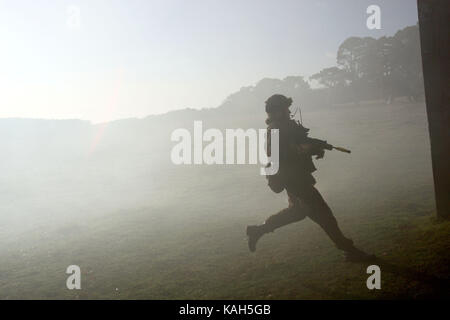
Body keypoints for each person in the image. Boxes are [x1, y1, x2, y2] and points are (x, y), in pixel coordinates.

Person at [246, 94, 375, 262]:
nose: (288, 111)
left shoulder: (283, 126)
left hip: (297, 178)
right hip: (295, 181)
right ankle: (349, 250)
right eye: (285, 108)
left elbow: (299, 143)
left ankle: (258, 230)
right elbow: (278, 154)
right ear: (277, 112)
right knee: (324, 215)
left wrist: (317, 147)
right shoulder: (275, 129)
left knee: (298, 212)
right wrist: (306, 149)